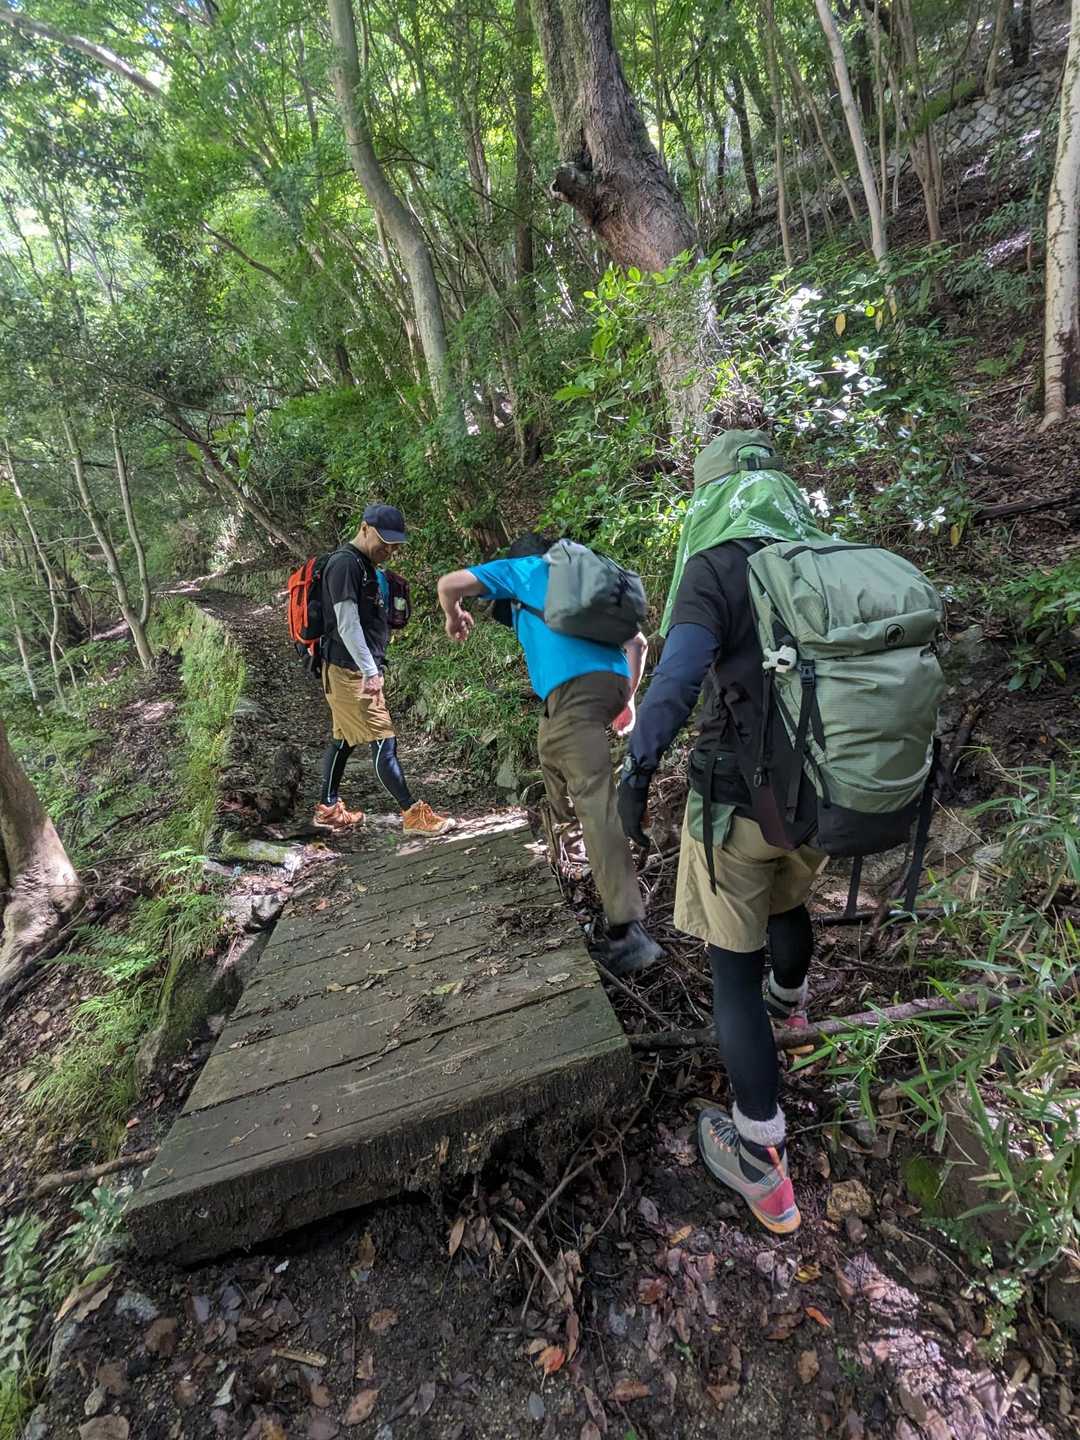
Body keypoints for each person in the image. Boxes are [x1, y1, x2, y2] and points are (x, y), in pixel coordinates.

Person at [617, 430, 831, 1235]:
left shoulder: (714, 567)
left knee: (730, 971)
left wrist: (636, 774)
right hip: (823, 792)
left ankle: (760, 1157)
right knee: (788, 900)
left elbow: (676, 680)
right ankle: (794, 1014)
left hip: (738, 802)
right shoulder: (822, 556)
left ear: (709, 495)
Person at [437, 534, 663, 977]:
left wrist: (454, 615)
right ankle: (568, 840)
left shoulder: (522, 570)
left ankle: (629, 932)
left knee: (596, 801)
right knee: (551, 740)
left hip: (573, 696)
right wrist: (628, 700)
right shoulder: (578, 584)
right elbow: (637, 644)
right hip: (602, 687)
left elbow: (449, 584)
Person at [315, 504, 453, 836]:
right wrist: (370, 671)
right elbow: (347, 624)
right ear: (365, 528)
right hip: (350, 671)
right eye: (384, 542)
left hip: (348, 669)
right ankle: (412, 814)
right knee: (383, 740)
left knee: (344, 740)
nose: (389, 550)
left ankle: (328, 810)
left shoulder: (363, 565)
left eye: (395, 545)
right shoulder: (345, 564)